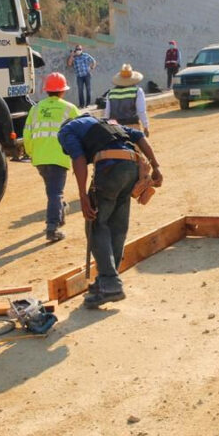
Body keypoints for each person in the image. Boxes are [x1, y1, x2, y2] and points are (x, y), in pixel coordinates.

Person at [58, 113, 163, 308]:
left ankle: (109, 283)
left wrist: (82, 195)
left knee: (96, 224)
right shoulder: (108, 123)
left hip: (110, 169)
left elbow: (79, 158)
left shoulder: (66, 131)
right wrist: (156, 166)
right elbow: (139, 135)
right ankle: (107, 280)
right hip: (131, 169)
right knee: (118, 227)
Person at [24, 72, 80, 242]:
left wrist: (31, 153)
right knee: (56, 192)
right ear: (63, 91)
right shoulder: (70, 109)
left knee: (52, 191)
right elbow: (81, 133)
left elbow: (27, 134)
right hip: (59, 157)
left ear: (46, 90)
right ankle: (52, 228)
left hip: (40, 158)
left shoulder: (35, 109)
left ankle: (60, 211)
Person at [104, 64, 150, 136]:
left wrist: (107, 127)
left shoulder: (111, 92)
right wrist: (145, 126)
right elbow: (141, 111)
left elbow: (107, 112)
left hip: (115, 127)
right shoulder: (137, 91)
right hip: (132, 126)